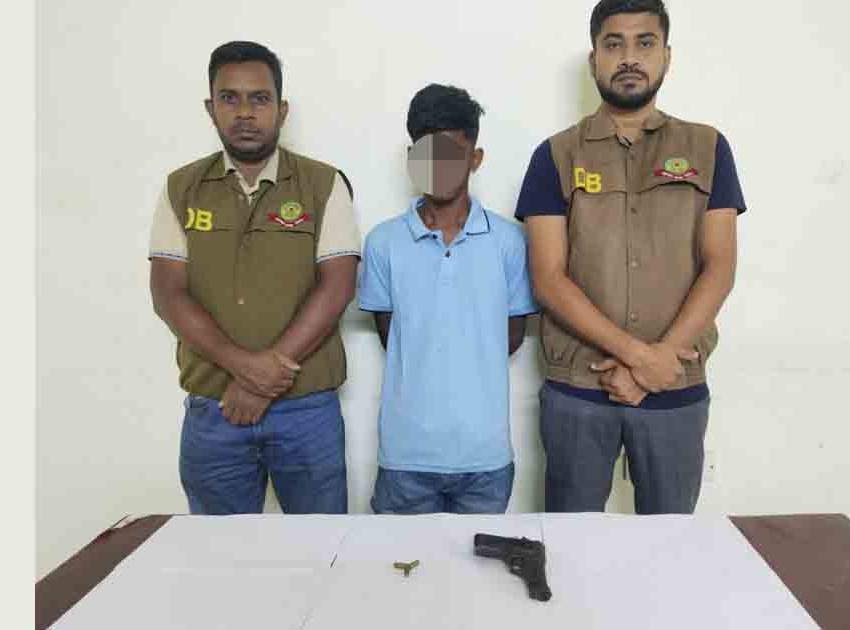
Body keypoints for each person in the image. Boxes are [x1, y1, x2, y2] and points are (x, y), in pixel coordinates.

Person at [515, 0, 747, 514]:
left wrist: (661, 360)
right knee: (570, 545)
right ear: (593, 58)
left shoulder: (708, 147)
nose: (629, 58)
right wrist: (642, 359)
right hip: (579, 388)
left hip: (675, 386)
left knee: (669, 543)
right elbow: (548, 278)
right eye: (613, 44)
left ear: (667, 55)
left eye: (645, 43)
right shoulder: (555, 155)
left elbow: (720, 266)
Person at [147, 41, 361, 515]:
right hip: (214, 409)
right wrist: (244, 369)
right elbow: (168, 293)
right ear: (211, 108)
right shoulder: (180, 188)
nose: (245, 113)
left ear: (281, 110)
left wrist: (262, 379)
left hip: (307, 411)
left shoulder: (324, 184)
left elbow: (337, 287)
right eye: (230, 98)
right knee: (218, 552)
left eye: (259, 99)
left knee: (321, 549)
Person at [358, 84, 538, 514]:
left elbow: (511, 335)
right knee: (397, 558)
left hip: (485, 457)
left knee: (479, 558)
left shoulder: (509, 241)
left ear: (476, 158)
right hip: (406, 456)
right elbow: (392, 335)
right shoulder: (383, 242)